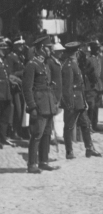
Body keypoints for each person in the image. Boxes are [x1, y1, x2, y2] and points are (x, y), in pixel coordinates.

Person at [23, 35, 59, 174]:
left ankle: (44, 161)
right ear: (42, 49)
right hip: (38, 105)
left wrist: (54, 102)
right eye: (49, 48)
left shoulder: (44, 64)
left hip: (48, 104)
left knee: (47, 134)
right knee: (37, 134)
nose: (51, 50)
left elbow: (48, 85)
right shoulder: (32, 65)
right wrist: (31, 106)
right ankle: (32, 164)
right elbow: (27, 88)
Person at [60, 42, 102, 159]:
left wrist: (83, 101)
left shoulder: (75, 64)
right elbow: (67, 87)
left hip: (79, 99)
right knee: (68, 126)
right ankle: (69, 151)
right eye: (77, 52)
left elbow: (80, 85)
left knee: (86, 123)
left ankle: (89, 148)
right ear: (75, 52)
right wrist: (68, 103)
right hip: (72, 100)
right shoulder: (68, 65)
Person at [0, 38, 20, 147]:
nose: (4, 51)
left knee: (5, 116)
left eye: (5, 49)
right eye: (2, 49)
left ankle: (3, 137)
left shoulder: (5, 60)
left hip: (6, 92)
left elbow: (8, 75)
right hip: (0, 92)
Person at [7, 36, 27, 139]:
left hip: (21, 87)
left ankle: (18, 131)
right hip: (14, 87)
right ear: (14, 45)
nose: (21, 46)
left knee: (22, 110)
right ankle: (13, 131)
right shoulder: (11, 57)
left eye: (22, 44)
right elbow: (10, 73)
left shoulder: (21, 57)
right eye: (19, 44)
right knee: (17, 110)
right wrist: (22, 73)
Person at [84, 40, 103, 132]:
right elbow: (86, 73)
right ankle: (88, 126)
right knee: (91, 106)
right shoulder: (88, 60)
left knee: (96, 106)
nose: (97, 50)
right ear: (92, 49)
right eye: (95, 48)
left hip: (98, 86)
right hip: (91, 87)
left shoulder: (98, 59)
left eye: (98, 48)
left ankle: (94, 124)